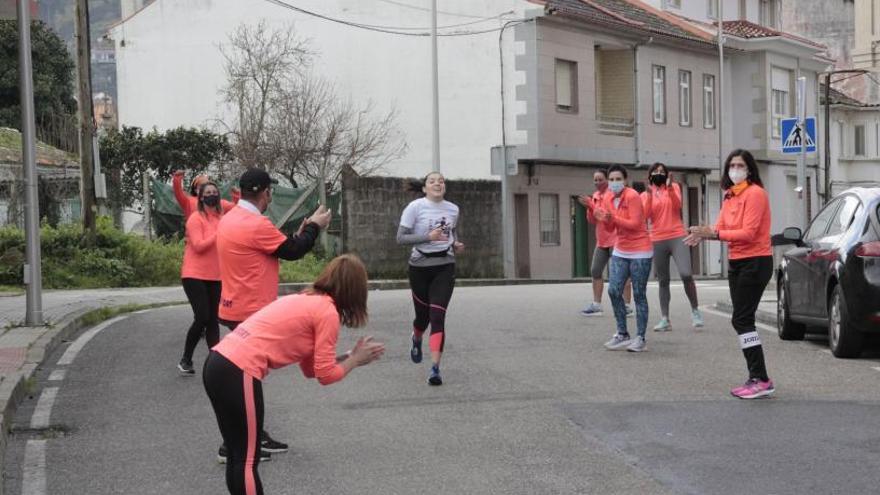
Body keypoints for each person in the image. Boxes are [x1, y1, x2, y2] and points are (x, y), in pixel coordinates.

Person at [203, 254, 385, 495]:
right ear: (356, 291)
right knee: (247, 460)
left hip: (218, 363)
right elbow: (325, 375)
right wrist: (355, 361)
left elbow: (312, 369)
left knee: (238, 455)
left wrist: (350, 355)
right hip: (239, 368)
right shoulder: (327, 312)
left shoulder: (307, 300)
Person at [214, 167, 332, 462]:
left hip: (233, 305)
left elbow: (275, 246)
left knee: (248, 375)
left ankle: (251, 436)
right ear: (266, 192)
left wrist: (303, 231)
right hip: (250, 310)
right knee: (249, 374)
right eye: (271, 191)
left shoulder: (232, 219)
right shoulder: (255, 223)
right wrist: (314, 227)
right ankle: (237, 443)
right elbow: (293, 250)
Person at [685, 149, 775, 399]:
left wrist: (712, 234)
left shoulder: (756, 194)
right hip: (737, 261)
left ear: (749, 169)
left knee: (742, 319)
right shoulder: (729, 196)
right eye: (731, 165)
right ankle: (757, 377)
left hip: (756, 261)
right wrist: (702, 233)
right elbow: (721, 227)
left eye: (740, 165)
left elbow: (748, 233)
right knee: (741, 319)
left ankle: (761, 379)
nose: (735, 169)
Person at [396, 171, 464, 386]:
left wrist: (456, 244)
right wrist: (428, 237)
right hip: (419, 267)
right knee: (422, 318)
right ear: (424, 188)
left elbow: (452, 234)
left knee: (437, 316)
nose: (438, 183)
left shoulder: (453, 209)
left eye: (441, 181)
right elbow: (400, 238)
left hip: (445, 266)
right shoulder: (415, 207)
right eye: (432, 181)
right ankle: (416, 338)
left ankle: (435, 368)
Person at [595, 165, 652, 352]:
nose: (614, 183)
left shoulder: (633, 196)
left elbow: (635, 224)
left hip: (640, 250)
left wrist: (613, 218)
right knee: (613, 290)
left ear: (625, 180)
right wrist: (604, 219)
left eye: (617, 179)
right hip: (621, 249)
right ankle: (622, 333)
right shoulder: (609, 198)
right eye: (611, 179)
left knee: (638, 294)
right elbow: (612, 228)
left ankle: (641, 337)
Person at [644, 163, 703, 331]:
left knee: (686, 274)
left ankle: (695, 310)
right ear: (650, 176)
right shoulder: (646, 193)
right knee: (663, 280)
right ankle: (665, 319)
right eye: (655, 171)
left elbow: (678, 206)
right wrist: (648, 196)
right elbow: (646, 215)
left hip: (677, 235)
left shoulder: (674, 187)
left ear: (667, 175)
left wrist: (669, 188)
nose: (659, 173)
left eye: (662, 171)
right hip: (657, 239)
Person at [177, 181, 224, 375]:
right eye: (208, 192)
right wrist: (218, 234)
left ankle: (217, 362)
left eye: (215, 192)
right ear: (201, 197)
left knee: (213, 319)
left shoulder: (222, 218)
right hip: (194, 274)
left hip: (216, 275)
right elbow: (198, 245)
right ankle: (186, 359)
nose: (212, 194)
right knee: (203, 317)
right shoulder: (196, 218)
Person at [577, 169, 632, 317]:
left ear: (607, 180)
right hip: (601, 241)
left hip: (616, 239)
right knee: (595, 270)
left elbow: (607, 216)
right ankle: (597, 304)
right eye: (595, 180)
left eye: (600, 179)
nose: (597, 183)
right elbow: (593, 220)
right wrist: (589, 207)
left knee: (621, 274)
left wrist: (592, 205)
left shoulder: (612, 195)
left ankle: (626, 305)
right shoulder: (595, 196)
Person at [172, 169, 240, 219]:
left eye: (207, 185)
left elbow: (237, 208)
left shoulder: (220, 202)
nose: (205, 188)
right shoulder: (189, 202)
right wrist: (177, 178)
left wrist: (236, 196)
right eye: (201, 186)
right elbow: (178, 193)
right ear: (196, 190)